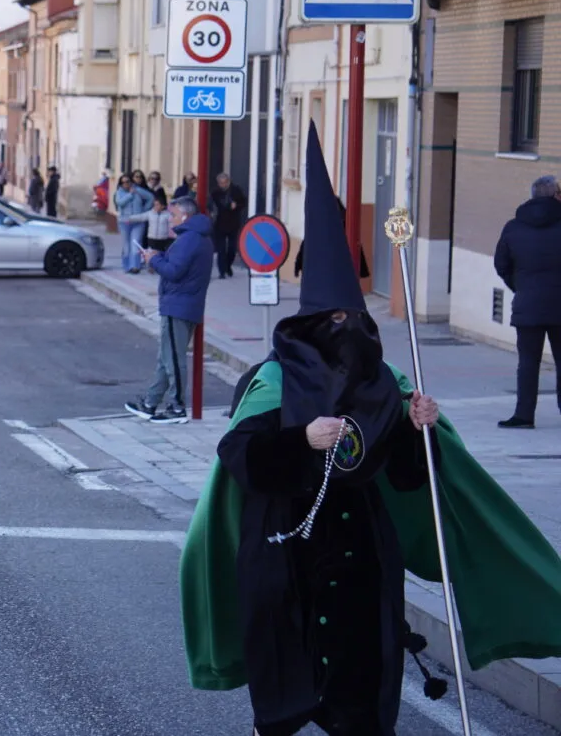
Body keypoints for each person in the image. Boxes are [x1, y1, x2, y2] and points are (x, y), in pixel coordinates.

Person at [180, 123, 561, 736]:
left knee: (363, 706)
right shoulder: (273, 382)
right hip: (286, 561)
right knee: (285, 698)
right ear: (308, 323)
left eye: (351, 316)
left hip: (362, 566)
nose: (344, 327)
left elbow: (407, 477)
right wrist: (302, 441)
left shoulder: (383, 382)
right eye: (330, 318)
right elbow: (240, 457)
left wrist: (419, 430)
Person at [124, 196, 215, 424]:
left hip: (179, 305)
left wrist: (153, 262)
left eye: (173, 215)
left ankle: (176, 407)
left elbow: (174, 271)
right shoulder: (195, 237)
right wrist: (157, 256)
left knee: (173, 359)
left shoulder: (189, 239)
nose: (169, 219)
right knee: (167, 356)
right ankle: (150, 402)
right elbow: (178, 263)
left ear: (185, 215)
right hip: (182, 303)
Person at [493, 174, 561, 429]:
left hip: (528, 305)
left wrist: (521, 287)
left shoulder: (514, 226)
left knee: (528, 362)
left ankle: (523, 415)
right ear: (556, 195)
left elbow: (501, 264)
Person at [115, 174, 155, 273]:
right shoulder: (119, 193)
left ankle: (135, 267)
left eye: (128, 181)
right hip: (124, 221)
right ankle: (127, 266)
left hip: (138, 221)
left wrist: (144, 210)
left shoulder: (138, 190)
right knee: (126, 245)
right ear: (121, 184)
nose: (126, 184)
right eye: (124, 182)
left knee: (136, 243)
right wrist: (130, 195)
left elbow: (151, 198)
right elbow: (120, 203)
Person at [211, 172, 247, 278]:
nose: (223, 185)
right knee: (221, 249)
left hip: (233, 223)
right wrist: (212, 212)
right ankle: (222, 272)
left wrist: (237, 205)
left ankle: (228, 266)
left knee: (232, 248)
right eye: (221, 183)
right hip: (220, 223)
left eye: (225, 182)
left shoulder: (236, 190)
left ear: (229, 182)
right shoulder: (215, 192)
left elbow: (244, 202)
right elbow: (210, 204)